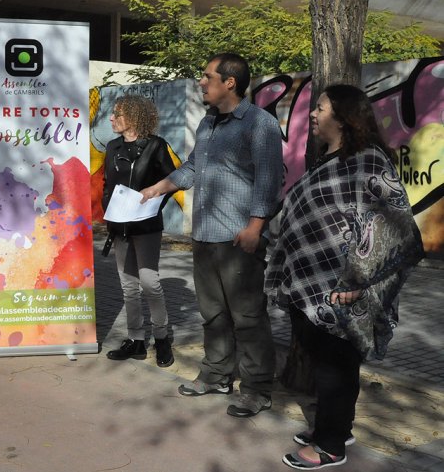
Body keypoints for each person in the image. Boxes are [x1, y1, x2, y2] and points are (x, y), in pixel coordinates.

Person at [265, 84, 423, 470]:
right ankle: (338, 427)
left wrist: (356, 280)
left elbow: (395, 226)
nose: (313, 115)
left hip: (343, 288)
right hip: (311, 281)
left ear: (344, 116)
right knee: (328, 360)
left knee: (336, 364)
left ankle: (331, 445)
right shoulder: (329, 160)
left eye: (320, 108)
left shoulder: (368, 161)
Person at [140, 52, 283, 417]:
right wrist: (158, 189)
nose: (201, 83)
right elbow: (191, 167)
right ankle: (218, 375)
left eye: (207, 77)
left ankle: (256, 389)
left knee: (248, 317)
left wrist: (255, 227)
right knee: (213, 314)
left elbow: (269, 179)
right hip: (204, 235)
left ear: (229, 82)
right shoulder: (208, 123)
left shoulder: (259, 124)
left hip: (239, 238)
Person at [102, 95, 177, 367]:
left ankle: (162, 338)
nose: (111, 118)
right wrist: (108, 211)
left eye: (116, 114)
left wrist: (153, 205)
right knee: (128, 286)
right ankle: (135, 340)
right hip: (119, 227)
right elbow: (107, 185)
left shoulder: (156, 146)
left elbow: (173, 181)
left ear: (132, 117)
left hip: (145, 226)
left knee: (150, 283)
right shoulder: (112, 147)